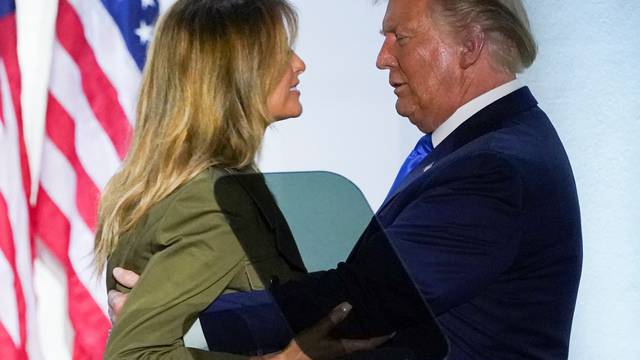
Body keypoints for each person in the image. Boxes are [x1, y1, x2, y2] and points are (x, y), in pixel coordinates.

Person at [111, 0, 583, 358]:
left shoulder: (493, 168)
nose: (382, 58)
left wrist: (192, 316)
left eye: (400, 37)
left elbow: (366, 298)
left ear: (470, 47)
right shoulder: (484, 150)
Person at [95, 0, 391, 359]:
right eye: (280, 52)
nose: (299, 65)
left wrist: (206, 327)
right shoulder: (210, 203)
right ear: (234, 72)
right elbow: (134, 355)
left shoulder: (213, 186)